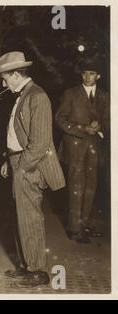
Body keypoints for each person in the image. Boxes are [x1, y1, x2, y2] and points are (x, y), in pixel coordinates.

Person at [0, 51, 65, 288]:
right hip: (18, 161)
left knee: (30, 218)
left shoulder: (38, 96)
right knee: (20, 217)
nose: (3, 83)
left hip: (29, 166)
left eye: (5, 78)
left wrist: (22, 167)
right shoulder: (22, 96)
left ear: (15, 74)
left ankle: (37, 271)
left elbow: (40, 142)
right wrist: (9, 160)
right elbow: (18, 136)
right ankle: (26, 267)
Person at [55, 60, 110, 243]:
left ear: (98, 76)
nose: (88, 76)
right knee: (76, 187)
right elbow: (60, 119)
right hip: (75, 147)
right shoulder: (70, 94)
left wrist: (101, 126)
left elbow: (110, 121)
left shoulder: (105, 96)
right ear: (81, 74)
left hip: (94, 147)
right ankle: (74, 229)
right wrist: (82, 128)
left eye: (92, 73)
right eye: (85, 73)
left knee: (90, 188)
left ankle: (83, 223)